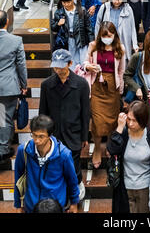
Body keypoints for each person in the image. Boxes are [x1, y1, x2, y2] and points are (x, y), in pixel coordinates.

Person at [39, 49, 90, 201]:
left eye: (62, 66)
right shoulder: (46, 85)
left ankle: (76, 189)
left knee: (73, 164)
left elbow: (85, 113)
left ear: (70, 64)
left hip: (73, 132)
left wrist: (84, 136)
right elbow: (43, 112)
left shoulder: (81, 84)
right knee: (55, 165)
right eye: (56, 66)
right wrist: (44, 135)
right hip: (54, 134)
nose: (58, 70)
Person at [14, 115, 80, 213]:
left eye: (41, 136)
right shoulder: (23, 150)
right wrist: (18, 204)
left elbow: (72, 180)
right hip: (32, 206)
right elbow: (18, 178)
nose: (36, 140)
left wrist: (74, 203)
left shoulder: (64, 154)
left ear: (50, 135)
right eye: (34, 135)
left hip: (55, 207)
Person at [84, 21, 125, 168]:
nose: (107, 38)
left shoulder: (120, 48)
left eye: (109, 35)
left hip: (112, 86)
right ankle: (96, 147)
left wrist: (120, 90)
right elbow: (85, 63)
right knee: (96, 120)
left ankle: (109, 144)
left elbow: (121, 71)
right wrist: (88, 66)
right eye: (104, 35)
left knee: (112, 119)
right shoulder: (93, 46)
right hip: (96, 85)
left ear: (114, 35)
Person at [107, 101, 150, 213]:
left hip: (144, 187)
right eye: (128, 119)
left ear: (142, 120)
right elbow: (112, 150)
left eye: (134, 120)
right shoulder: (123, 134)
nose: (130, 123)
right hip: (125, 186)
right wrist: (119, 127)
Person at [0, 10, 27, 161]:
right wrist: (24, 84)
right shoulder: (16, 40)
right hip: (8, 86)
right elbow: (21, 65)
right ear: (7, 22)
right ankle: (3, 149)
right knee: (5, 118)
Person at [51, 0, 94, 67]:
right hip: (68, 41)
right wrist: (58, 24)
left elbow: (89, 28)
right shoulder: (59, 12)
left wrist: (92, 43)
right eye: (64, 2)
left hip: (81, 39)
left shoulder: (82, 10)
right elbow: (53, 28)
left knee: (84, 62)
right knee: (71, 64)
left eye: (68, 2)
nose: (66, 4)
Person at [95, 0, 138, 64]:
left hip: (123, 41)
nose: (117, 2)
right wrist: (97, 40)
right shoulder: (104, 8)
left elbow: (132, 27)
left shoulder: (128, 9)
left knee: (123, 65)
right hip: (107, 40)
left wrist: (134, 44)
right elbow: (98, 25)